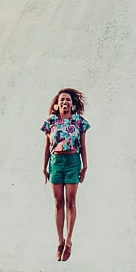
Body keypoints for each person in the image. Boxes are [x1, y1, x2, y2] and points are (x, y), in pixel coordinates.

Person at [41, 87, 89, 261]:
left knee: (70, 202)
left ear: (72, 104)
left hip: (72, 162)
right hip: (55, 162)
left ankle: (69, 241)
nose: (65, 102)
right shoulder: (51, 122)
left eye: (68, 100)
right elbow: (47, 146)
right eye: (62, 100)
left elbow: (83, 145)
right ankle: (59, 241)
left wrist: (85, 166)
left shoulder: (79, 122)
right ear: (56, 104)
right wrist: (44, 167)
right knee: (58, 203)